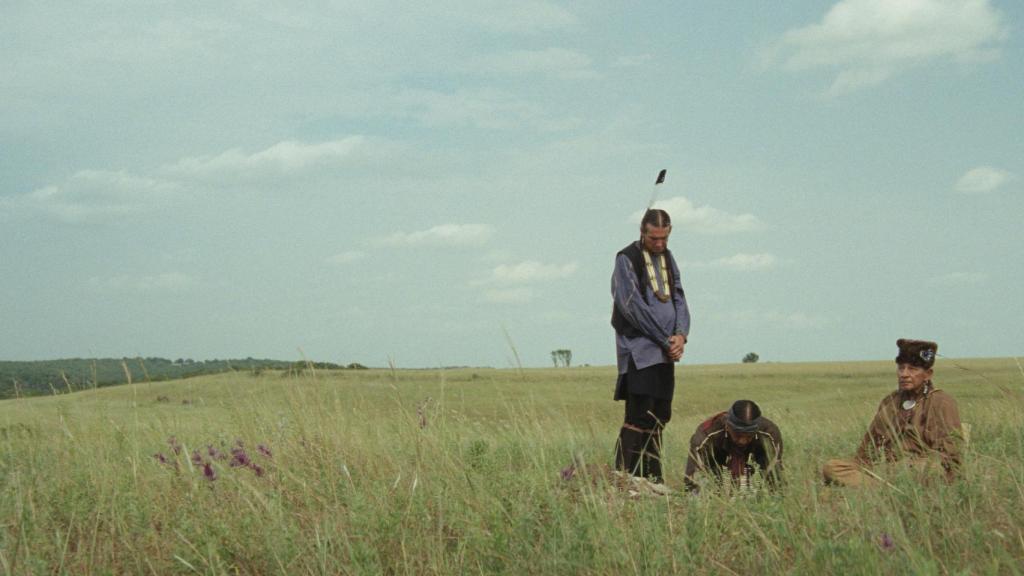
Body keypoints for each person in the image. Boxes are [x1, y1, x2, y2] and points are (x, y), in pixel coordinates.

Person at [611, 208, 691, 482]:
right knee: (638, 414)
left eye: (664, 239)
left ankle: (653, 480)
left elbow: (679, 296)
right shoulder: (627, 258)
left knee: (659, 416)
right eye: (654, 238)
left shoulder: (667, 257)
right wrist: (664, 338)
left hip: (666, 352)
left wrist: (681, 334)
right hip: (640, 350)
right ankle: (623, 478)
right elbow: (632, 306)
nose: (659, 244)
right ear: (642, 232)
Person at [822, 339, 962, 487]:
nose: (904, 374)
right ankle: (885, 488)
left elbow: (950, 456)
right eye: (901, 368)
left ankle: (878, 488)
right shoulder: (890, 402)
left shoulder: (941, 402)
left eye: (913, 369)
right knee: (832, 467)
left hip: (920, 469)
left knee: (930, 468)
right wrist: (860, 467)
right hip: (886, 470)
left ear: (928, 374)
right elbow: (866, 452)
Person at [683, 400, 784, 494]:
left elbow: (774, 469)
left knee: (775, 484)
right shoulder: (706, 434)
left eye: (749, 435)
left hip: (755, 456)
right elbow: (692, 478)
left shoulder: (769, 432)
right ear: (727, 426)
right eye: (738, 434)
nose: (743, 441)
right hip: (717, 459)